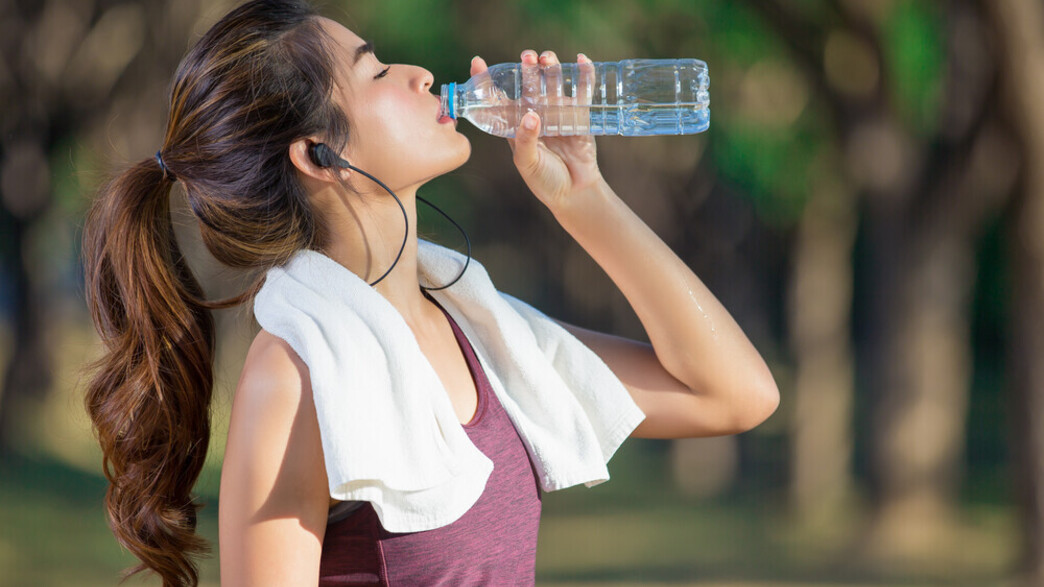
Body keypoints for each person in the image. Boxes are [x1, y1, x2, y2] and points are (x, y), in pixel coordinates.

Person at [81, 1, 779, 585]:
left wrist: (585, 198)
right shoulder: (296, 374)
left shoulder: (480, 331)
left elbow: (735, 393)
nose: (420, 73)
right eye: (378, 70)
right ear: (319, 153)